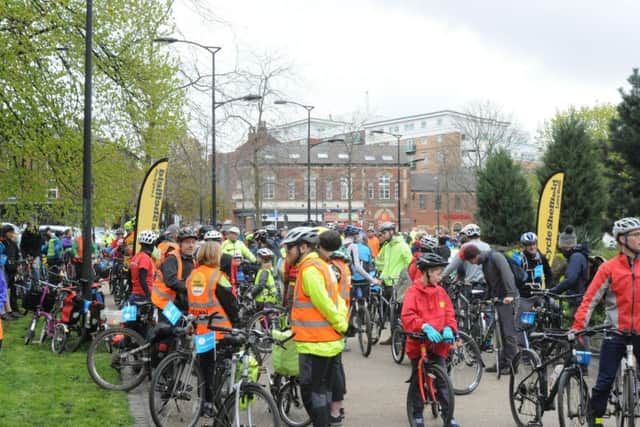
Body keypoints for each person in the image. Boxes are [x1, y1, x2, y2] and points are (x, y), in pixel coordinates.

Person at [571, 217, 640, 427]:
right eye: (636, 235)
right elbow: (589, 300)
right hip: (615, 333)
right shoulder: (608, 268)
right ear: (622, 239)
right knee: (604, 383)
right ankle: (597, 419)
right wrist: (578, 327)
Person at [283, 226, 348, 427]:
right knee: (323, 391)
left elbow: (324, 302)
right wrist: (341, 323)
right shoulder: (321, 266)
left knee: (312, 392)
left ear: (303, 248)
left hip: (315, 342)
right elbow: (337, 299)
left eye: (289, 249)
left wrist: (340, 323)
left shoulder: (310, 269)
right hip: (327, 341)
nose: (286, 254)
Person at [402, 252, 460, 427]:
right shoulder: (413, 291)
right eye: (437, 273)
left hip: (438, 344)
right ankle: (417, 413)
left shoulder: (441, 291)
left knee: (443, 381)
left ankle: (448, 416)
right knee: (417, 379)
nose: (440, 276)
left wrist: (449, 327)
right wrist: (424, 326)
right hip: (419, 343)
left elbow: (449, 313)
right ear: (427, 272)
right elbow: (407, 315)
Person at [186, 240, 239, 417]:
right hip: (219, 330)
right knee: (219, 370)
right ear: (215, 256)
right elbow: (231, 304)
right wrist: (237, 322)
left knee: (205, 370)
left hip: (200, 329)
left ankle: (205, 404)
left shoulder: (193, 275)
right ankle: (219, 406)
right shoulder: (218, 277)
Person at [461, 244, 518, 375]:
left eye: (472, 261)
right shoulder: (486, 262)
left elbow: (507, 275)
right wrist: (486, 298)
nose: (473, 264)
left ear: (475, 256)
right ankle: (502, 362)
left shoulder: (496, 257)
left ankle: (512, 364)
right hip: (499, 298)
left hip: (507, 298)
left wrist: (510, 294)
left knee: (508, 332)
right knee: (501, 333)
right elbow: (492, 283)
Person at [317, 229, 350, 425]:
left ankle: (336, 408)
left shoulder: (333, 268)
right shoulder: (342, 265)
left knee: (334, 368)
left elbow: (329, 298)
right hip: (341, 317)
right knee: (336, 367)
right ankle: (337, 405)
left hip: (335, 321)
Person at [375, 222, 412, 344]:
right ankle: (393, 336)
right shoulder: (387, 246)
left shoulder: (402, 245)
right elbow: (379, 261)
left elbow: (410, 263)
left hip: (397, 284)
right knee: (388, 312)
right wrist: (381, 274)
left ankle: (399, 337)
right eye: (382, 233)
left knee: (396, 312)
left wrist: (402, 276)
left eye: (384, 233)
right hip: (386, 282)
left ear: (392, 231)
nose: (383, 235)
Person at [152, 227, 198, 318]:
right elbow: (171, 281)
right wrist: (191, 288)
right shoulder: (172, 259)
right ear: (180, 244)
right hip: (165, 304)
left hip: (180, 303)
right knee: (174, 329)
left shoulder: (192, 260)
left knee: (187, 327)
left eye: (193, 242)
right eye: (187, 242)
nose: (191, 245)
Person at [1, 225, 21, 319]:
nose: (13, 234)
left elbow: (16, 255)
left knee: (12, 289)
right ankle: (4, 311)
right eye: (11, 232)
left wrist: (17, 265)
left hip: (12, 269)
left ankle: (12, 309)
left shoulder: (13, 243)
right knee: (4, 289)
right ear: (6, 233)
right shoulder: (3, 243)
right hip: (4, 268)